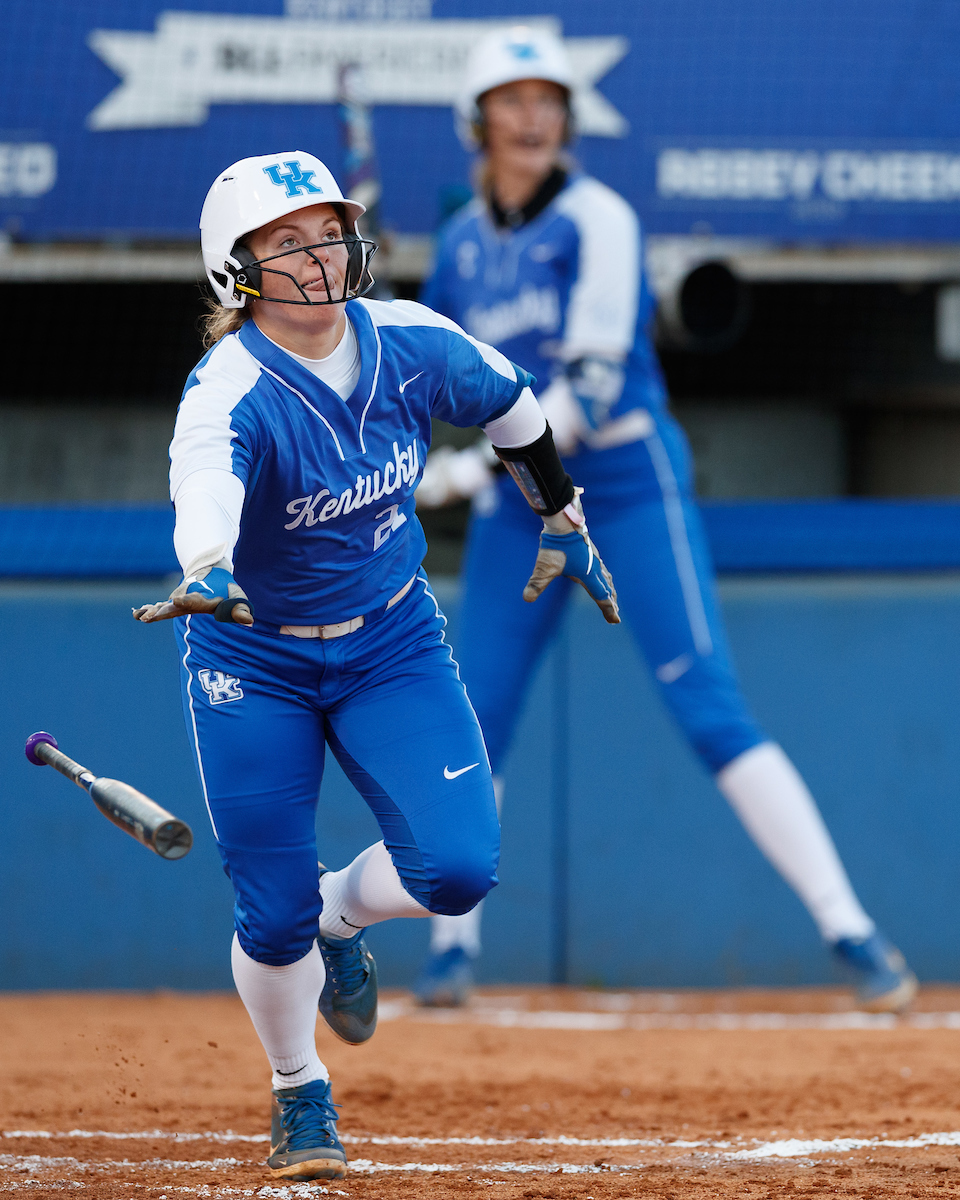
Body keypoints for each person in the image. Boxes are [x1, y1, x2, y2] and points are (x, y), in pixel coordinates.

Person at [132, 150, 617, 1183]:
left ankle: (340, 912)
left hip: (389, 638)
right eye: (288, 241)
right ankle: (299, 1089)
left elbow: (514, 408)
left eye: (329, 231)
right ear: (237, 270)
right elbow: (204, 485)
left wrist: (561, 514)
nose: (320, 255)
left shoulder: (409, 340)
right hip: (250, 656)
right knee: (267, 915)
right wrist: (206, 566)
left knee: (458, 870)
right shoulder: (231, 388)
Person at [412, 26, 916, 1013]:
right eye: (511, 100)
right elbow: (428, 379)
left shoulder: (600, 217)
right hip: (524, 509)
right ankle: (450, 952)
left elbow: (591, 392)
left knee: (708, 705)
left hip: (624, 485)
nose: (533, 116)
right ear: (476, 122)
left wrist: (472, 473)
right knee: (474, 716)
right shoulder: (464, 244)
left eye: (547, 98)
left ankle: (852, 932)